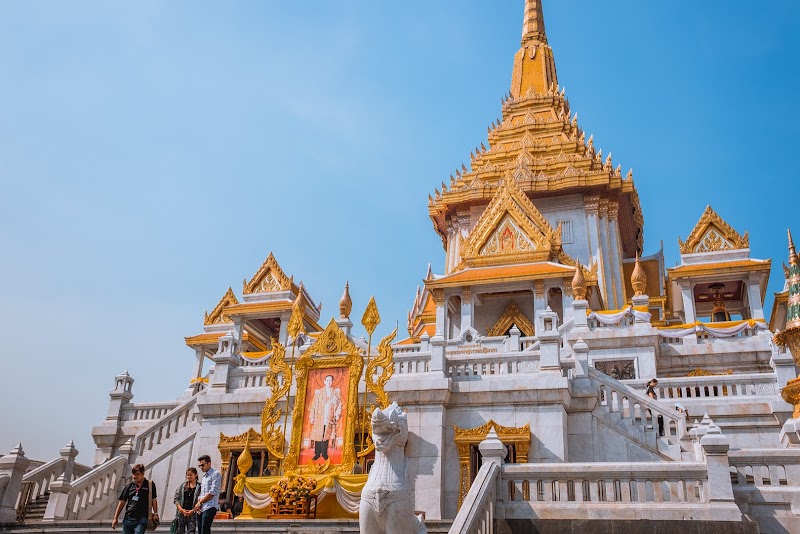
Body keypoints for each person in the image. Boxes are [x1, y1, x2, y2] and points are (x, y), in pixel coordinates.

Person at [112, 464, 159, 534]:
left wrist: (155, 513)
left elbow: (154, 500)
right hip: (128, 518)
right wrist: (115, 518)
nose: (134, 476)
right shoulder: (129, 486)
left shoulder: (150, 485)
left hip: (142, 518)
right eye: (133, 474)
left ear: (143, 474)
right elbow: (122, 502)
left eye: (137, 474)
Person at [309, 374, 343, 460]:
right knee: (318, 435)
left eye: (330, 380)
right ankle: (317, 454)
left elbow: (339, 405)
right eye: (327, 380)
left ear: (333, 382)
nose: (329, 382)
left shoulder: (335, 393)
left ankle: (324, 454)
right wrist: (312, 417)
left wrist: (337, 415)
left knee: (326, 435)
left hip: (329, 418)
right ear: (324, 382)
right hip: (319, 417)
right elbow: (313, 405)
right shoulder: (319, 392)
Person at [194, 455, 222, 534]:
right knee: (200, 530)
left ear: (209, 463)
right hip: (202, 506)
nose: (201, 467)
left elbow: (212, 492)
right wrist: (199, 503)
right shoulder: (204, 477)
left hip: (210, 506)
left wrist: (200, 502)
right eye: (200, 465)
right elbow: (202, 492)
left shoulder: (215, 474)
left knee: (205, 529)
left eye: (202, 465)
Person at [173, 467, 200, 534]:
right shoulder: (183, 486)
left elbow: (200, 501)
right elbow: (176, 498)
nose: (189, 476)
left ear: (195, 475)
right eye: (188, 475)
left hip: (192, 514)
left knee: (191, 531)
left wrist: (193, 510)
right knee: (179, 531)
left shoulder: (199, 487)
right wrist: (181, 510)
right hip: (181, 513)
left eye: (191, 475)